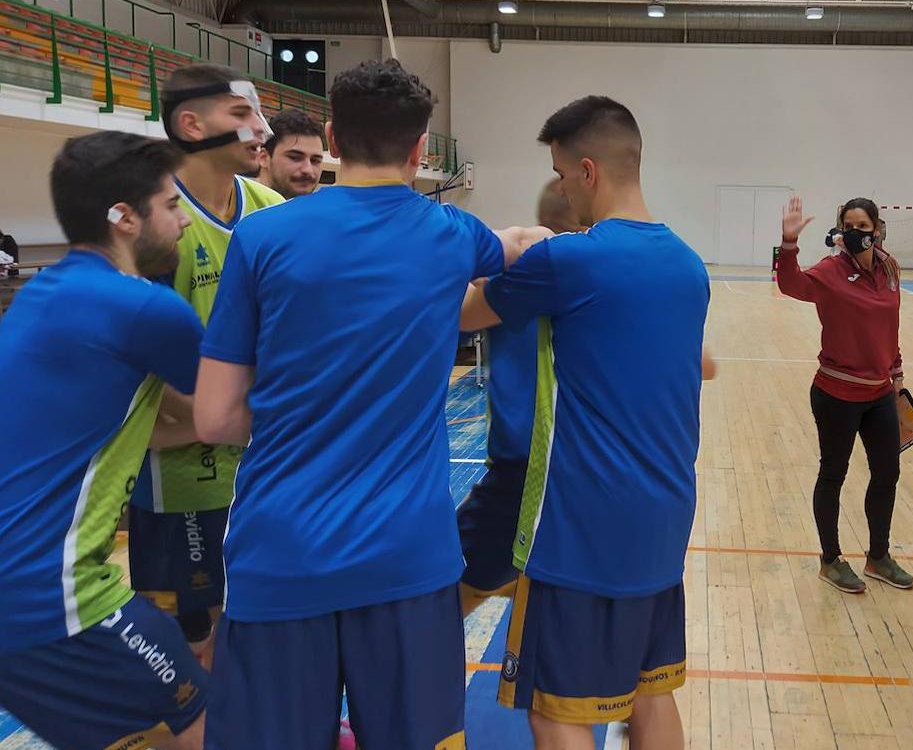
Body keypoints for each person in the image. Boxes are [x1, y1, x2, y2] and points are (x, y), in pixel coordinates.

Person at [193, 59, 536, 749]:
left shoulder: (261, 237)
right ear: (420, 149)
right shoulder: (452, 235)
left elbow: (215, 418)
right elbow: (528, 248)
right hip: (406, 558)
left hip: (279, 553)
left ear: (331, 138)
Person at [459, 95, 708, 750]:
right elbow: (703, 364)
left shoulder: (566, 261)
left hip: (580, 527)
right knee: (650, 696)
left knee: (554, 712)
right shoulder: (686, 264)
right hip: (666, 515)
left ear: (589, 171)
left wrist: (484, 248)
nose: (562, 190)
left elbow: (464, 316)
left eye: (564, 175)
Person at [0, 131, 208, 750]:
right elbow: (233, 413)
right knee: (205, 724)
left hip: (18, 596)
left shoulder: (45, 292)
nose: (182, 223)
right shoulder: (145, 309)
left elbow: (145, 428)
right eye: (172, 206)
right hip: (48, 597)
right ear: (124, 217)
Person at [127, 64, 286, 663]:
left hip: (265, 466)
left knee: (255, 621)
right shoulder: (158, 222)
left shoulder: (270, 209)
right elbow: (144, 366)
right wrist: (236, 415)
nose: (260, 130)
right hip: (185, 475)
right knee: (188, 639)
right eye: (241, 115)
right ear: (191, 124)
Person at [774, 195, 913, 595]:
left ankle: (879, 557)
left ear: (877, 230)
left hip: (880, 394)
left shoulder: (889, 270)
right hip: (836, 393)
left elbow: (891, 325)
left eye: (863, 228)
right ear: (840, 230)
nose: (856, 234)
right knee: (833, 474)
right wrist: (789, 243)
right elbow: (790, 284)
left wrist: (897, 369)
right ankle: (831, 560)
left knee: (887, 474)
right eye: (849, 227)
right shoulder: (830, 271)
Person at [457, 179, 581, 618]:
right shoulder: (604, 281)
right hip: (583, 473)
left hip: (524, 474)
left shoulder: (513, 277)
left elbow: (456, 314)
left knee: (439, 602)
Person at [257, 108, 325, 200]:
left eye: (315, 161)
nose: (308, 170)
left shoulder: (322, 211)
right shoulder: (237, 209)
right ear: (264, 158)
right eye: (295, 158)